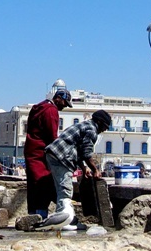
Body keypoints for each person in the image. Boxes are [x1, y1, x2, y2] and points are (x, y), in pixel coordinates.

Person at [45, 109, 111, 215]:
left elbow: (79, 152)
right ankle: (64, 218)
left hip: (54, 153)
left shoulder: (84, 125)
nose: (104, 130)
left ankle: (62, 216)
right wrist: (95, 170)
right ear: (99, 122)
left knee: (60, 187)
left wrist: (84, 168)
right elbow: (86, 153)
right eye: (105, 127)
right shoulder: (92, 130)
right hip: (61, 156)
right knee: (65, 188)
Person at [24, 89, 73, 217]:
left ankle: (32, 214)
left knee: (33, 185)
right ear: (58, 98)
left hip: (31, 150)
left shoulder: (38, 107)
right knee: (42, 184)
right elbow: (52, 136)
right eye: (64, 103)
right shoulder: (51, 111)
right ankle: (41, 216)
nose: (64, 107)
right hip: (40, 153)